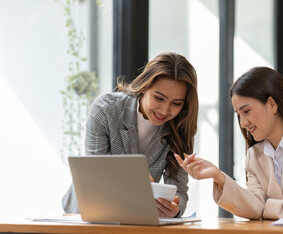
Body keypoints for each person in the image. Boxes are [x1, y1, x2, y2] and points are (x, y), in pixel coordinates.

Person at [175, 67, 283, 220]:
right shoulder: (254, 155)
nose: (243, 123)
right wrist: (218, 176)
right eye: (238, 115)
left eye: (247, 111)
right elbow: (256, 207)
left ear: (272, 104)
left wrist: (271, 209)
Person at [62, 52, 199, 218]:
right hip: (86, 214)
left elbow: (180, 190)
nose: (165, 110)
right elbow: (94, 175)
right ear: (144, 86)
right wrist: (132, 178)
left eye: (176, 103)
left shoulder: (180, 127)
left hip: (137, 219)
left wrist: (175, 209)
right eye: (158, 98)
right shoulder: (105, 110)